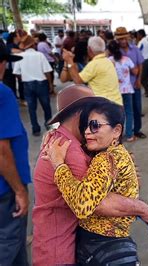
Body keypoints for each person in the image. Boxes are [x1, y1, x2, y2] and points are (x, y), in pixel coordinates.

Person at [32, 85, 148, 265]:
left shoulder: (65, 139)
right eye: (92, 114)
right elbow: (94, 202)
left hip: (56, 243)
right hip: (59, 252)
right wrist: (144, 210)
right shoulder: (69, 149)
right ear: (80, 113)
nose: (96, 116)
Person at [0, 40, 29, 266]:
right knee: (8, 244)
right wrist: (19, 190)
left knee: (16, 244)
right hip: (5, 189)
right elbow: (1, 149)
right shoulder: (3, 94)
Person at [62, 36, 122, 105]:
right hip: (116, 103)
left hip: (105, 106)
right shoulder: (108, 61)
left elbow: (77, 81)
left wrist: (69, 61)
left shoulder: (95, 64)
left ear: (89, 49)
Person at [13, 35, 53, 136]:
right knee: (46, 106)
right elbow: (47, 71)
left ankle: (35, 129)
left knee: (31, 108)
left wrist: (22, 79)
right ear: (33, 44)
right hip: (41, 83)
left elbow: (16, 72)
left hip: (27, 84)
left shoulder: (20, 56)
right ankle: (49, 126)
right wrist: (50, 84)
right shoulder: (39, 55)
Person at [116, 27, 147, 140]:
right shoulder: (116, 52)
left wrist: (139, 80)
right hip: (121, 87)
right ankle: (125, 132)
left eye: (124, 38)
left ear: (128, 38)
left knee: (137, 108)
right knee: (123, 111)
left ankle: (137, 130)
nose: (122, 41)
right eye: (120, 39)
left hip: (134, 83)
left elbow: (140, 65)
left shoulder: (135, 49)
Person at [107, 40, 138, 142]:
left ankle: (116, 137)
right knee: (129, 113)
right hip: (127, 89)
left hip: (115, 91)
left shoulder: (108, 61)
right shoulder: (126, 59)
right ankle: (129, 135)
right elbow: (135, 71)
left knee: (116, 114)